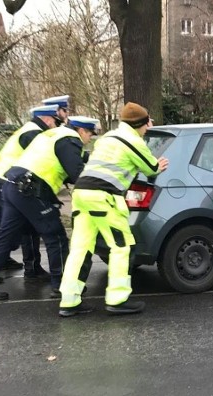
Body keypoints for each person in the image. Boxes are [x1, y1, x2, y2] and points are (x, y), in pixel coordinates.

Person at [58, 103, 169, 317]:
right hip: (104, 197)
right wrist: (160, 164)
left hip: (81, 195)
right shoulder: (134, 141)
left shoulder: (108, 138)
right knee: (122, 247)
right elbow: (151, 168)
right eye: (147, 122)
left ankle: (69, 301)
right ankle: (118, 300)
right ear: (141, 123)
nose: (148, 127)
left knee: (81, 248)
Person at [0, 115, 95, 301]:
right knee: (56, 236)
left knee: (5, 235)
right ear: (82, 131)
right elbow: (76, 173)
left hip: (12, 184)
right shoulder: (69, 138)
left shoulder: (52, 134)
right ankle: (62, 286)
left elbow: (56, 165)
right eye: (90, 134)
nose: (89, 139)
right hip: (31, 190)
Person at [0, 104, 62, 285]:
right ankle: (30, 268)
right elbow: (40, 159)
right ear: (48, 119)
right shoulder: (34, 133)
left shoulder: (28, 128)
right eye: (56, 121)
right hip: (10, 183)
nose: (56, 126)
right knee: (19, 229)